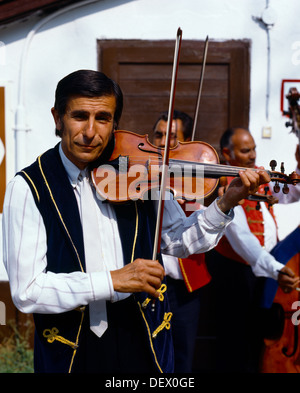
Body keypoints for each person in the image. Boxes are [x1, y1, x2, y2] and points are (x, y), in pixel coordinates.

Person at [2, 71, 271, 374]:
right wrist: (112, 280)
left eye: (103, 118)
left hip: (143, 340)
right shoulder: (28, 188)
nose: (91, 132)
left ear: (115, 121)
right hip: (73, 351)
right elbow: (27, 290)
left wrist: (225, 203)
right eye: (80, 116)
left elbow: (180, 241)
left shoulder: (142, 173)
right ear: (58, 117)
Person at [204, 126, 300, 373]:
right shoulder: (225, 186)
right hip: (236, 273)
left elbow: (291, 192)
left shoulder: (259, 176)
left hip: (264, 270)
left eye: (254, 148)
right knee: (234, 345)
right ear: (227, 152)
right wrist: (275, 268)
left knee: (258, 340)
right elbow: (243, 241)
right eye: (246, 151)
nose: (253, 155)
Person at [152, 110, 211, 373]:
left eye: (172, 137)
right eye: (159, 135)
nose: (163, 142)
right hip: (148, 284)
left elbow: (198, 233)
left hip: (184, 288)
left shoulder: (196, 178)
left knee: (182, 357)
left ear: (187, 143)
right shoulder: (140, 175)